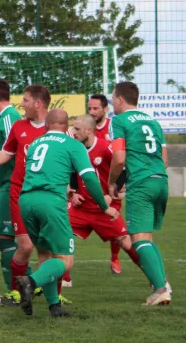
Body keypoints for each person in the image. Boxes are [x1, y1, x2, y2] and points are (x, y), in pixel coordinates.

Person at [0, 85, 72, 304]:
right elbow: (6, 154)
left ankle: (52, 298)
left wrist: (69, 188)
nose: (21, 104)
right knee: (26, 247)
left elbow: (68, 160)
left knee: (49, 250)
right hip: (22, 195)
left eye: (25, 100)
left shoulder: (58, 131)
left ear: (38, 103)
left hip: (49, 196)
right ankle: (17, 291)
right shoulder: (18, 127)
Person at [15, 109, 119, 317]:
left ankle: (54, 305)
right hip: (50, 202)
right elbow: (89, 178)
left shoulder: (36, 143)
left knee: (45, 253)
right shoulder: (72, 144)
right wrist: (104, 206)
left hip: (26, 200)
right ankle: (30, 282)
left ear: (46, 126)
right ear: (67, 127)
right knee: (65, 260)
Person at [108, 81, 171, 306]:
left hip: (142, 184)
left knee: (138, 240)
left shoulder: (119, 120)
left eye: (113, 98)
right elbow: (164, 160)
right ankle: (162, 282)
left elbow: (119, 158)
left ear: (121, 99)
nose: (112, 103)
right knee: (147, 238)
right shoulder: (153, 122)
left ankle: (160, 289)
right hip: (161, 181)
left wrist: (112, 182)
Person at [67, 115, 141, 273]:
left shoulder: (105, 147)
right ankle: (63, 280)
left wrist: (112, 193)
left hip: (105, 207)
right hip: (82, 206)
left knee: (125, 242)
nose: (74, 132)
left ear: (88, 130)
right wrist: (74, 192)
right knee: (61, 234)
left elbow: (126, 169)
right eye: (73, 128)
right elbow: (74, 171)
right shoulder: (74, 147)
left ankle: (155, 278)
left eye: (77, 129)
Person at [0, 78, 29, 300]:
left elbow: (19, 149)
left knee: (4, 237)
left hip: (14, 185)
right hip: (6, 183)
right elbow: (7, 150)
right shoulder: (4, 119)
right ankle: (27, 283)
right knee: (1, 237)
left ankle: (17, 290)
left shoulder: (10, 118)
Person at [86, 94, 123, 275]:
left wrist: (119, 183)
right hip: (88, 185)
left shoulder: (113, 127)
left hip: (109, 184)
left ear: (104, 109)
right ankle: (64, 274)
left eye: (95, 109)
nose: (92, 112)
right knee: (69, 224)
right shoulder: (85, 128)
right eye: (89, 108)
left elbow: (122, 157)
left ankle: (115, 257)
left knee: (114, 224)